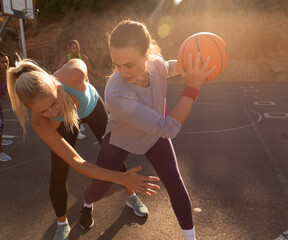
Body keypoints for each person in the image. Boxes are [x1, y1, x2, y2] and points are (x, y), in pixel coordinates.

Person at [79, 20, 215, 239]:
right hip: (120, 139)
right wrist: (192, 87)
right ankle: (86, 203)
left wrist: (186, 66)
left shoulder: (156, 63)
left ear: (146, 55)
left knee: (174, 182)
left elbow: (167, 67)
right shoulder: (116, 93)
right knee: (99, 190)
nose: (122, 72)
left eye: (129, 65)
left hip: (152, 136)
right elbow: (168, 128)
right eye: (116, 65)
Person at [6, 58, 160, 240]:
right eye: (42, 111)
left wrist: (123, 178)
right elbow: (76, 162)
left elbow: (80, 64)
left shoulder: (73, 75)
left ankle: (131, 196)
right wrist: (120, 178)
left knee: (114, 152)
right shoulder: (41, 121)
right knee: (59, 171)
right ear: (32, 110)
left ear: (56, 86)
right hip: (65, 123)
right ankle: (62, 224)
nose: (53, 112)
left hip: (91, 107)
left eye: (53, 102)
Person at [59, 39, 104, 140]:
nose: (76, 50)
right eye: (74, 48)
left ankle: (81, 122)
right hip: (71, 87)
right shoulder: (66, 59)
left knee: (86, 105)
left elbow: (91, 70)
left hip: (84, 85)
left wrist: (97, 75)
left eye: (78, 47)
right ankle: (76, 128)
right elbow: (59, 71)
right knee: (74, 107)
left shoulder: (83, 57)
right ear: (69, 49)